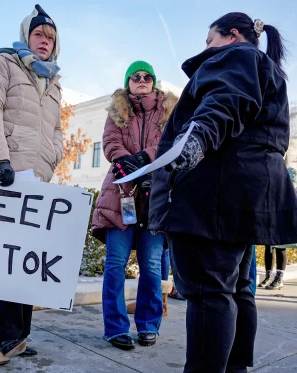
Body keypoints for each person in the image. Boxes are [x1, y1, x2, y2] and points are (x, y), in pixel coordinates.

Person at [149, 12, 297, 373]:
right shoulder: (264, 66)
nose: (206, 48)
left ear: (232, 35)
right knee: (237, 291)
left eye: (210, 40)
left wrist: (195, 140)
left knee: (210, 294)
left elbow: (225, 101)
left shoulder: (236, 56)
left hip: (214, 193)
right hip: (241, 193)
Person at [0, 4, 64, 365]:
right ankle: (3, 336)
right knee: (1, 257)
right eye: (39, 34)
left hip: (36, 180)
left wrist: (52, 156)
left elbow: (56, 131)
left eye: (51, 38)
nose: (44, 42)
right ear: (27, 34)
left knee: (26, 259)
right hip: (5, 173)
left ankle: (20, 335)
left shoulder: (54, 81)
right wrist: (1, 159)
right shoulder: (5, 63)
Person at [91, 60, 177, 350]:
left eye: (147, 76)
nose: (142, 80)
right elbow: (110, 142)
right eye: (136, 76)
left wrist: (144, 158)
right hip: (122, 194)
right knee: (115, 264)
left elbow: (171, 143)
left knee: (152, 266)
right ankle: (115, 328)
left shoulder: (169, 110)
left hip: (156, 196)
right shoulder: (117, 110)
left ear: (154, 81)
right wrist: (124, 160)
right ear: (128, 81)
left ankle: (148, 325)